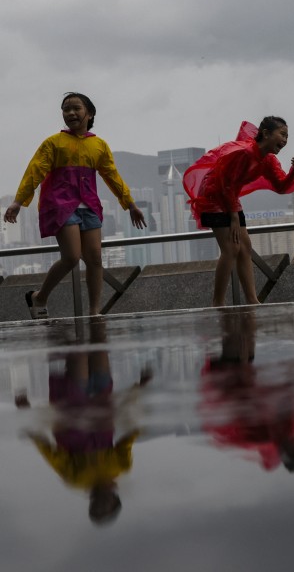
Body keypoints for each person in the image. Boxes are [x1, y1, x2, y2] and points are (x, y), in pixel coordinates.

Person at [4, 92, 147, 318]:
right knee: (71, 256)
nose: (70, 113)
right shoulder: (54, 143)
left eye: (76, 108)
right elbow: (35, 171)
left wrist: (130, 204)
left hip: (89, 206)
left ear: (89, 114)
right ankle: (39, 296)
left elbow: (112, 176)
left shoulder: (98, 145)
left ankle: (94, 311)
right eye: (66, 109)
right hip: (60, 204)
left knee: (95, 259)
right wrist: (18, 201)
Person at [19, 317, 150, 526]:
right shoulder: (120, 467)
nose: (99, 501)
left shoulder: (76, 479)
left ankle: (52, 326)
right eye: (104, 505)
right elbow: (130, 433)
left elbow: (50, 453)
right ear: (115, 499)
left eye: (95, 507)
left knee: (77, 353)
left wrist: (27, 413)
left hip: (75, 405)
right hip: (101, 402)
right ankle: (87, 314)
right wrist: (138, 389)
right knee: (99, 345)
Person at [183, 117, 294, 307]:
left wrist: (293, 172)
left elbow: (280, 186)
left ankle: (252, 299)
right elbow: (225, 183)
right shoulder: (245, 153)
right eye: (282, 134)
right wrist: (233, 216)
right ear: (265, 133)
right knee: (231, 248)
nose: (285, 140)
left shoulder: (268, 161)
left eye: (287, 136)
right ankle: (218, 303)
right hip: (213, 195)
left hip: (230, 198)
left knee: (245, 248)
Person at [198, 309, 294, 473]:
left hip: (229, 383)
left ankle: (219, 308)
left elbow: (240, 405)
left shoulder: (258, 437)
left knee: (234, 340)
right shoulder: (291, 428)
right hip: (241, 375)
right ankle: (225, 308)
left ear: (284, 452)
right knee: (242, 338)